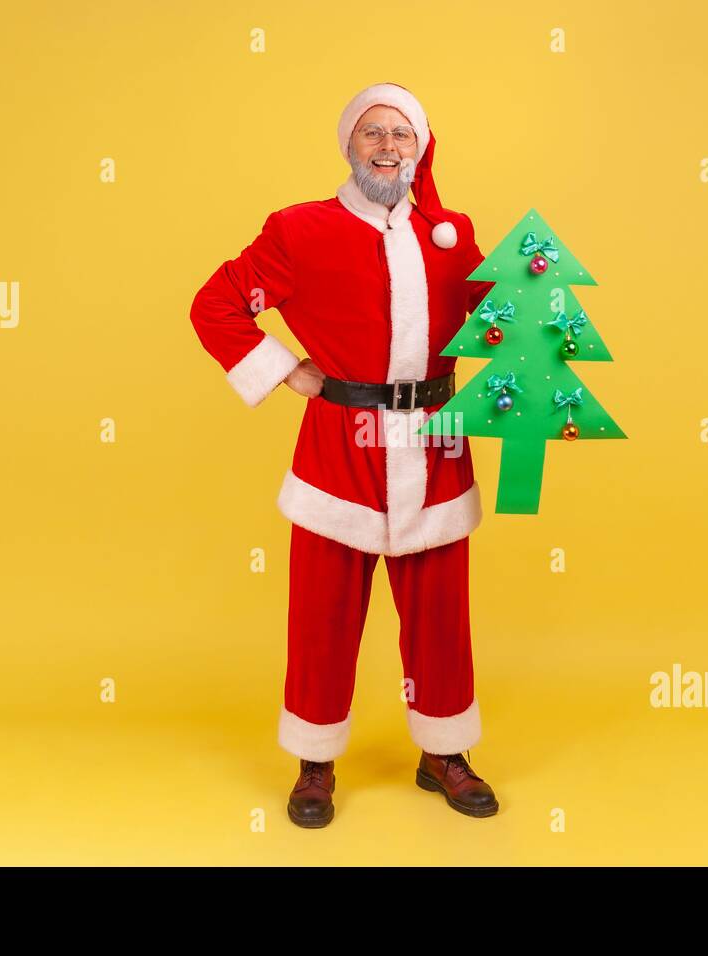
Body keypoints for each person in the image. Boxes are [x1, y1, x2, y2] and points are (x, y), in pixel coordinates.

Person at [188, 82, 498, 828]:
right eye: (372, 133)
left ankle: (442, 751)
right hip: (339, 452)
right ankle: (315, 761)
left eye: (402, 134)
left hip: (435, 444)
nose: (388, 146)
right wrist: (286, 369)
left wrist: (537, 314)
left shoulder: (451, 234)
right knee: (323, 613)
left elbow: (496, 321)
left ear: (420, 149)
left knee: (440, 615)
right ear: (349, 146)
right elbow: (217, 304)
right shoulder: (300, 230)